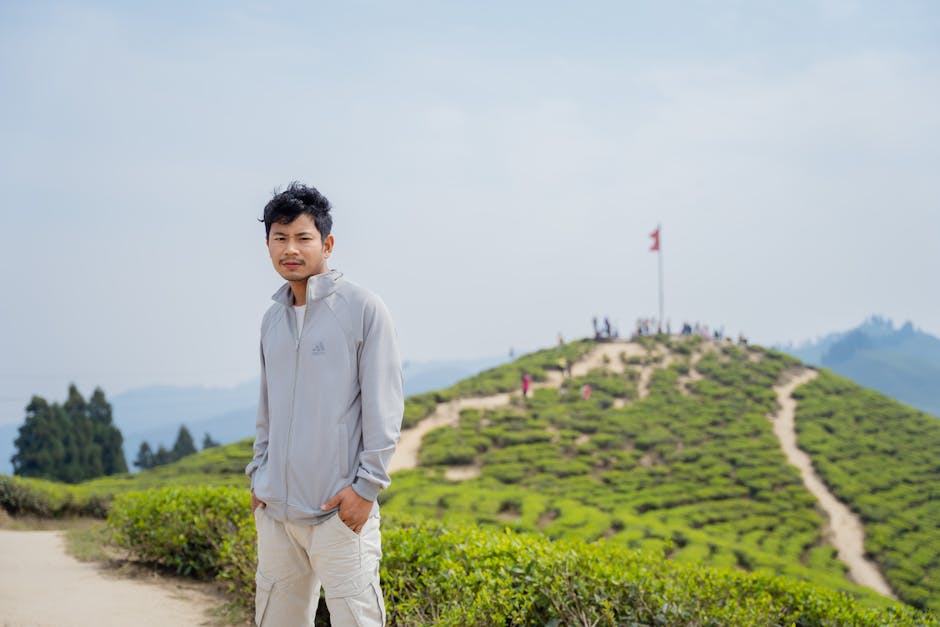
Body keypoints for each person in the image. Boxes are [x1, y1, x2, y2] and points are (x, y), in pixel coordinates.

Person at [245, 182, 403, 626]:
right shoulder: (271, 319)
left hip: (339, 513)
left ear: (327, 244)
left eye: (302, 237)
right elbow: (267, 409)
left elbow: (385, 408)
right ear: (268, 244)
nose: (290, 249)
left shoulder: (362, 309)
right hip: (277, 513)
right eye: (280, 238)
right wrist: (259, 476)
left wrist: (365, 489)